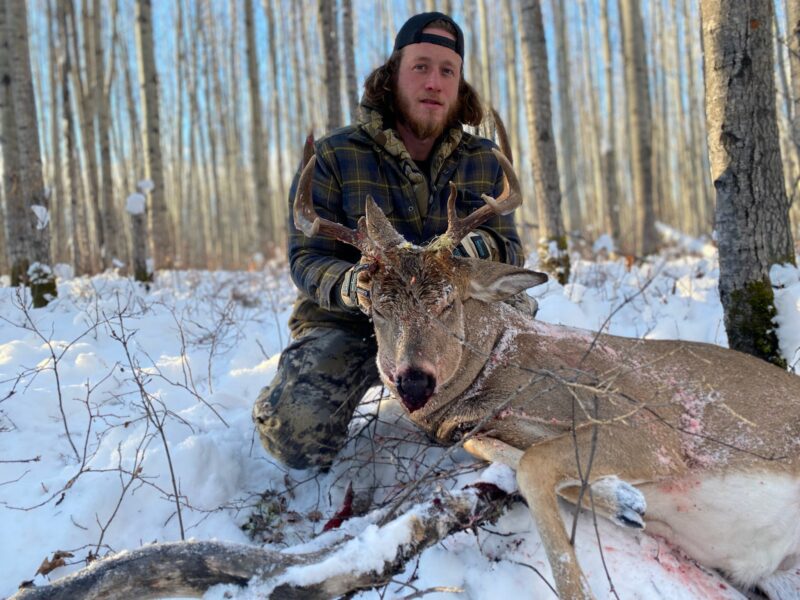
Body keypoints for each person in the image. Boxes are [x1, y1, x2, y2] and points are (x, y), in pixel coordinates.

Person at [252, 12, 534, 470]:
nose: (434, 82)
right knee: (297, 437)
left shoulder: (482, 159)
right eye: (420, 66)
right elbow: (307, 257)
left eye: (448, 71)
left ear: (459, 86)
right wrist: (351, 284)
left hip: (451, 320)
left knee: (520, 412)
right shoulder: (335, 156)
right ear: (392, 76)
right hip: (358, 318)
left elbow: (509, 249)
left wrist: (468, 253)